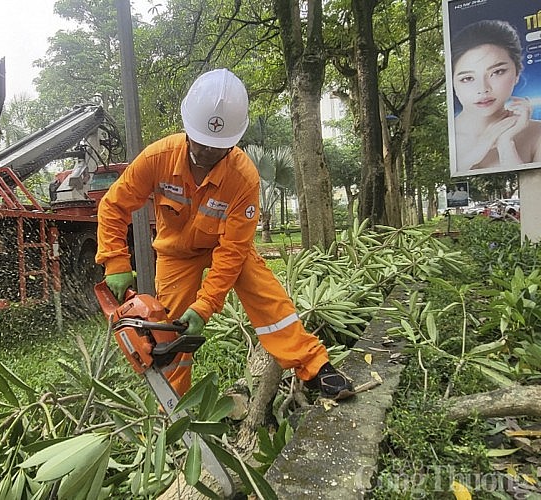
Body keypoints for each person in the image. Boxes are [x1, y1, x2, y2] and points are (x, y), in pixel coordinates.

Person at [96, 69, 354, 400]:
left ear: (233, 142)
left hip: (224, 247)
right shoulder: (157, 158)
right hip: (176, 255)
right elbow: (114, 206)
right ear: (188, 129)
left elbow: (233, 251)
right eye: (201, 144)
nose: (206, 155)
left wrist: (205, 305)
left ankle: (315, 367)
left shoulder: (243, 178)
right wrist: (116, 260)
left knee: (265, 291)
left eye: (217, 148)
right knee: (169, 333)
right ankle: (173, 408)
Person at [451, 19, 541, 172]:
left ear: (517, 73)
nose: (483, 89)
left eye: (497, 72)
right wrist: (480, 147)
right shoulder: (450, 140)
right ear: (453, 83)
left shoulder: (537, 133)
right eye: (467, 78)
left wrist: (506, 143)